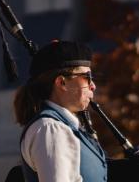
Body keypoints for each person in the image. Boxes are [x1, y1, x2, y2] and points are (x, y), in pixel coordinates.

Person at [13, 40, 107, 182]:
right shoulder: (51, 129)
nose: (93, 85)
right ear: (62, 82)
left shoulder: (62, 127)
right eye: (87, 77)